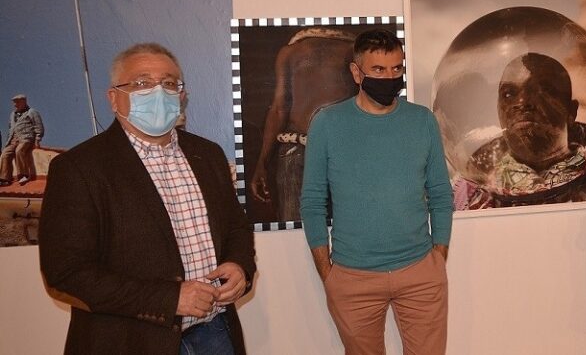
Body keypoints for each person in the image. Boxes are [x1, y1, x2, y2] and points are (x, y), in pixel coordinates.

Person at [39, 43, 256, 354]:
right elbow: (66, 274)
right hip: (129, 341)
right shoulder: (79, 168)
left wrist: (240, 266)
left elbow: (236, 228)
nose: (159, 92)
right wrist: (170, 299)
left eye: (169, 83)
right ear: (114, 98)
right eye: (141, 83)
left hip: (215, 332)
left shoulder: (207, 154)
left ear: (182, 96)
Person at [301, 28, 453, 354]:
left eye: (397, 69)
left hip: (420, 273)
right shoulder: (327, 123)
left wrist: (438, 256)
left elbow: (440, 192)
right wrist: (327, 272)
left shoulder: (422, 121)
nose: (390, 78)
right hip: (352, 278)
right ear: (357, 73)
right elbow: (312, 201)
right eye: (379, 70)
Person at [458, 52, 586, 208]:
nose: (522, 102)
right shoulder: (467, 195)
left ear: (571, 111)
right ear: (498, 109)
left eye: (542, 91)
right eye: (509, 94)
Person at [249, 27, 358, 220]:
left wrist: (262, 163)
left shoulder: (290, 53)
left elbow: (279, 109)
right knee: (349, 227)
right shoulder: (353, 51)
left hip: (299, 149)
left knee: (296, 230)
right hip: (336, 151)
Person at [0, 94, 44, 186]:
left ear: (24, 102)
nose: (15, 105)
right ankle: (5, 178)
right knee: (5, 154)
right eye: (14, 103)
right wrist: (8, 141)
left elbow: (38, 126)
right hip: (13, 140)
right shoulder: (12, 114)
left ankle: (22, 175)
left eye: (17, 103)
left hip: (26, 138)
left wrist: (37, 139)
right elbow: (10, 129)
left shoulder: (32, 112)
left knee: (19, 151)